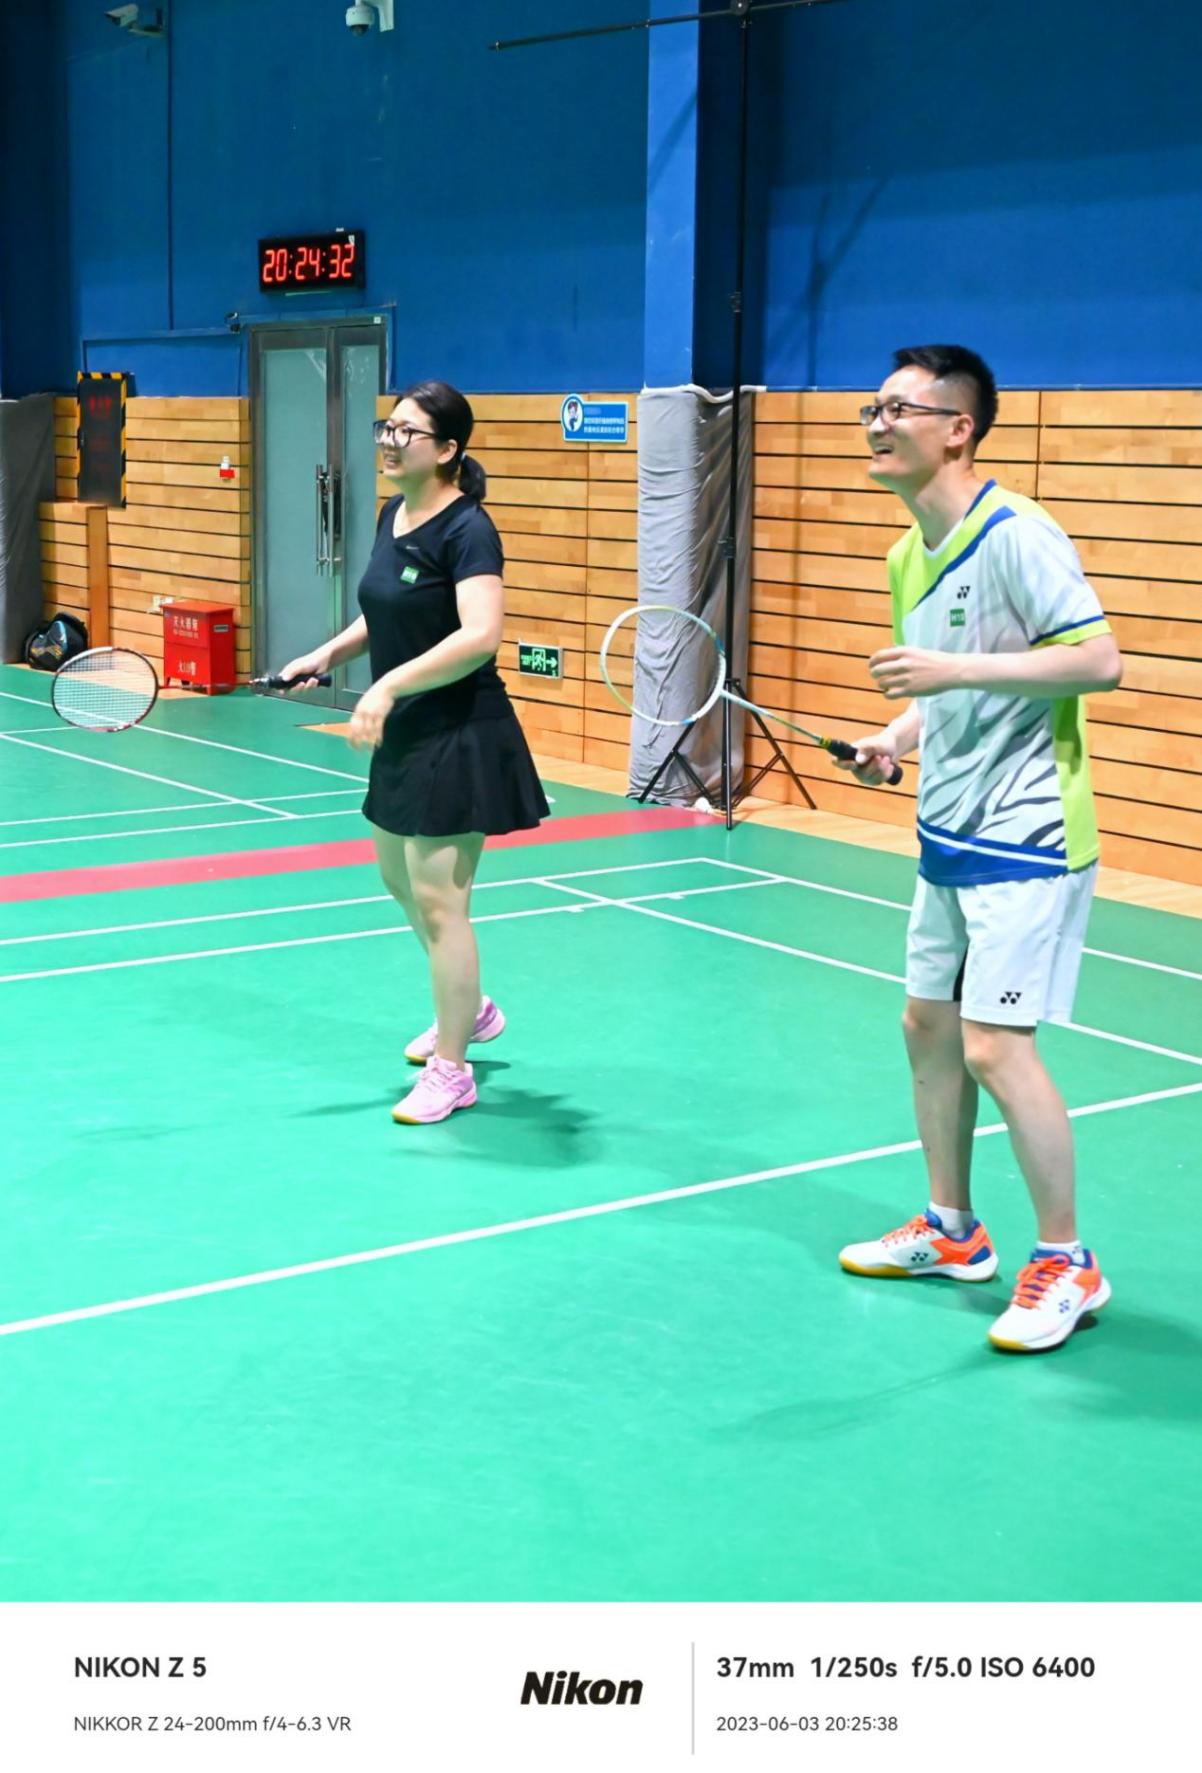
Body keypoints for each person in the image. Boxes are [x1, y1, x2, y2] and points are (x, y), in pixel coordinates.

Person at [835, 344, 1122, 1353]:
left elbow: (1097, 659)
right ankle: (952, 1229)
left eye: (898, 409)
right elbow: (945, 689)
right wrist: (894, 737)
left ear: (957, 428)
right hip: (946, 828)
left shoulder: (1016, 535)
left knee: (996, 1045)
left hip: (1028, 833)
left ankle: (1067, 1261)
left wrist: (949, 669)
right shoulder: (904, 552)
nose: (877, 424)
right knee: (927, 1027)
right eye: (872, 408)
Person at [278, 380, 548, 1124]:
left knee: (441, 903)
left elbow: (479, 636)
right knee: (397, 879)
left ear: (449, 449)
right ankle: (470, 1007)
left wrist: (388, 685)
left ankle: (453, 1069)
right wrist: (324, 653)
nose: (390, 442)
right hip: (405, 729)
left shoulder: (468, 530)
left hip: (459, 730)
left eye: (408, 432)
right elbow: (386, 611)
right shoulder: (393, 514)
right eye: (387, 427)